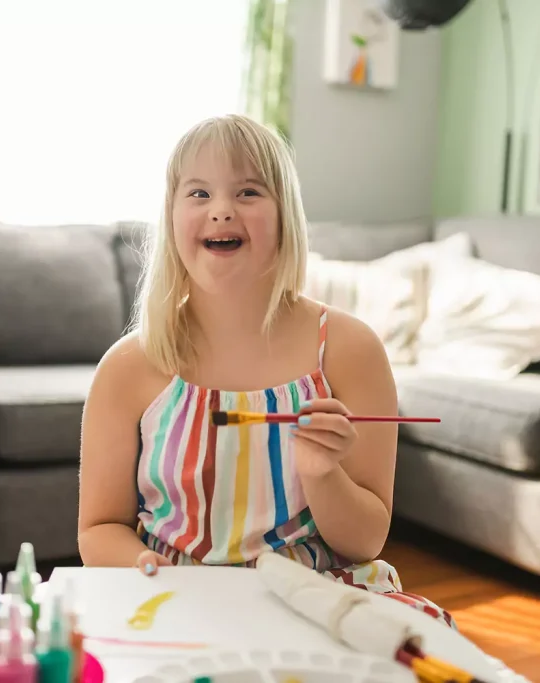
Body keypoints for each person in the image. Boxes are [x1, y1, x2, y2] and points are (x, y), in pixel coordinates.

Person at [77, 114, 456, 629]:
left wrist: (321, 473)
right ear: (170, 218)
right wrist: (152, 572)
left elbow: (365, 541)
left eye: (249, 192)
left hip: (318, 599)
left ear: (285, 216)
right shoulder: (128, 366)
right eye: (198, 194)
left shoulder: (349, 350)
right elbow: (99, 527)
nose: (222, 211)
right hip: (175, 599)